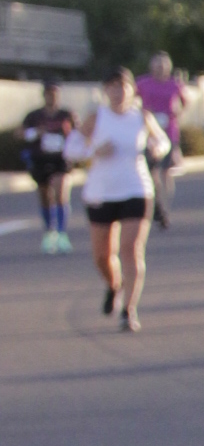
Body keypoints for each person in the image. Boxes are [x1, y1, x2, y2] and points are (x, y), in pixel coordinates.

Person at [64, 69, 165, 331]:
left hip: (136, 188)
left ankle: (129, 310)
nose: (118, 91)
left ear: (132, 89)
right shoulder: (96, 118)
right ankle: (114, 285)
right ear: (105, 90)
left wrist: (157, 148)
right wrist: (93, 150)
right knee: (102, 256)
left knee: (131, 249)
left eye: (123, 86)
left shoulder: (141, 117)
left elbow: (162, 141)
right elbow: (71, 149)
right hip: (101, 192)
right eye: (113, 86)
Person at [137, 51, 186, 229]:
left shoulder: (175, 84)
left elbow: (184, 102)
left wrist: (177, 112)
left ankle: (165, 209)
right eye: (157, 64)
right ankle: (153, 208)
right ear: (151, 66)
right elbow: (132, 100)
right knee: (150, 173)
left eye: (164, 65)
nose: (160, 68)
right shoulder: (142, 83)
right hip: (148, 135)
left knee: (166, 173)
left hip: (169, 133)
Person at [23, 83, 75, 252]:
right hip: (40, 159)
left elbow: (79, 132)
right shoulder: (34, 116)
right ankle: (49, 231)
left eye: (55, 93)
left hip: (61, 159)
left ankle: (61, 233)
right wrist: (34, 133)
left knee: (61, 192)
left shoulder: (66, 114)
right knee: (45, 195)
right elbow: (20, 133)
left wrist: (69, 134)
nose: (52, 97)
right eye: (49, 93)